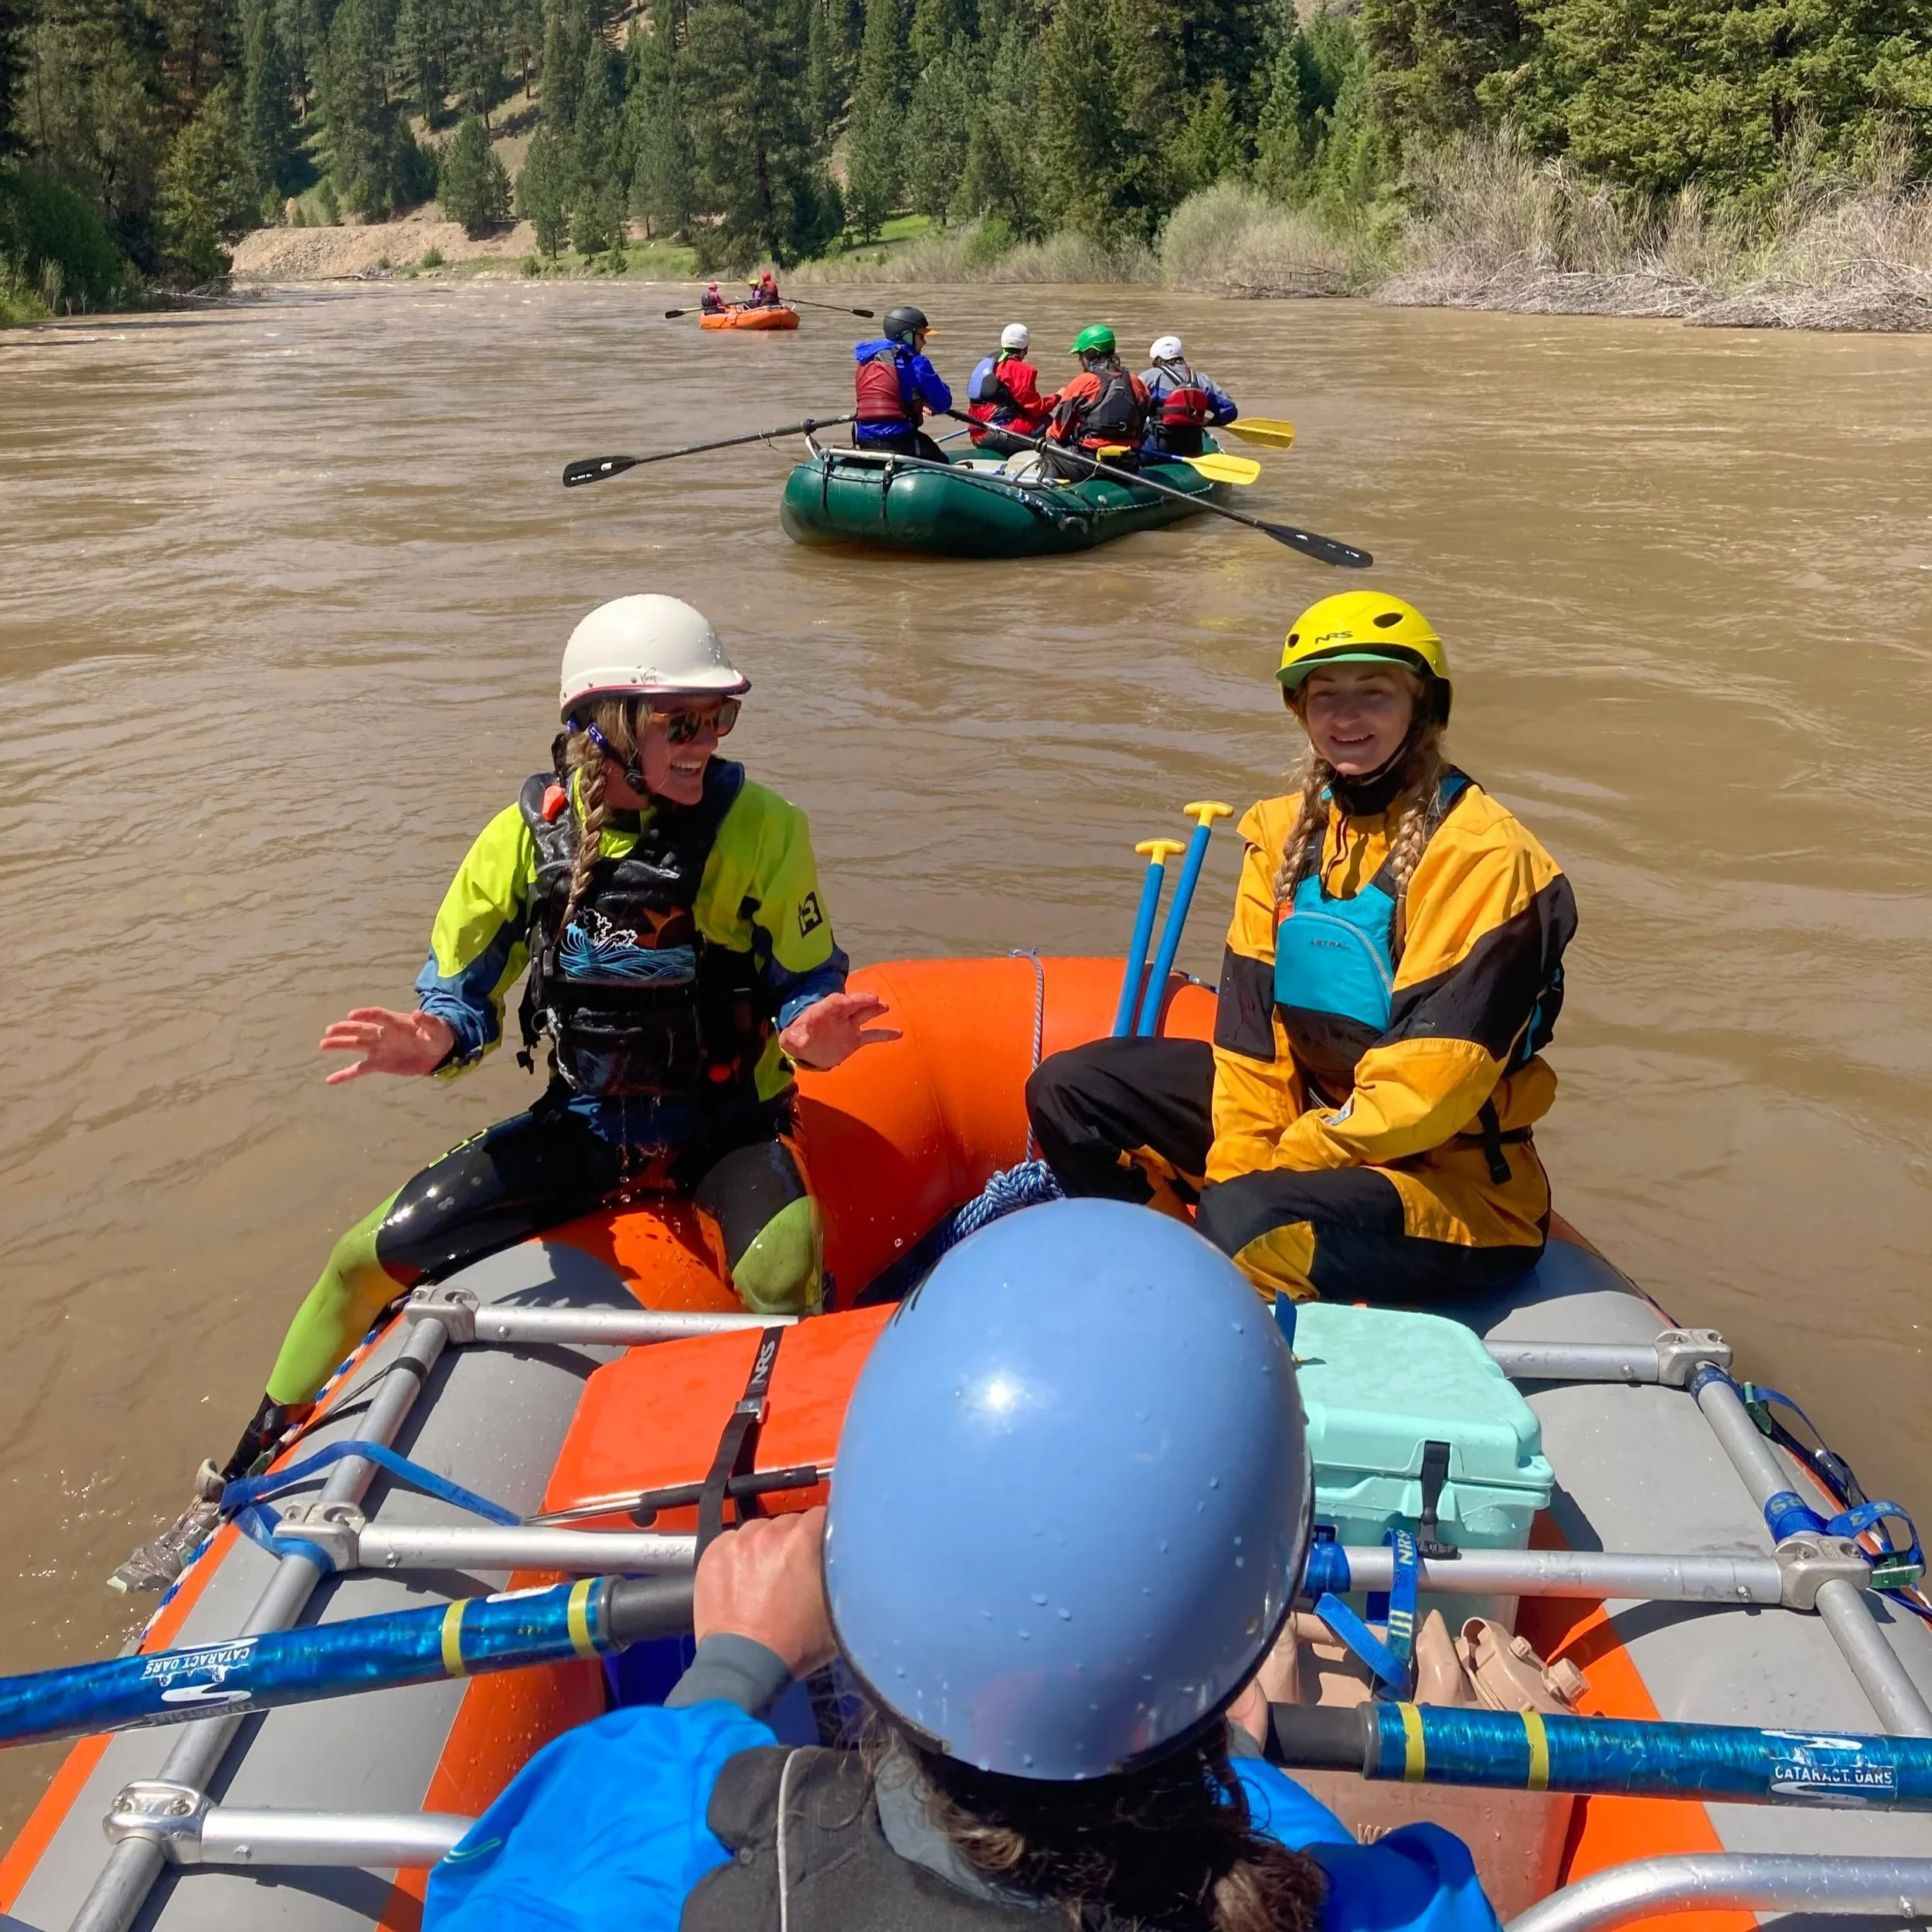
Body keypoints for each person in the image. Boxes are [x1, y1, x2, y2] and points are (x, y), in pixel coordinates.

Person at [420, 1200, 1504, 1932]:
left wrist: (731, 1672)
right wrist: (1246, 1773)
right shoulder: (1407, 1904)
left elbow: (614, 1820)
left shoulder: (645, 1845)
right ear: (1252, 1621)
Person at [112, 595, 894, 1593]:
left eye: (719, 719)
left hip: (723, 1124)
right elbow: (462, 1001)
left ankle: (821, 1509)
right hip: (583, 1123)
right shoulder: (524, 840)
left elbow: (806, 983)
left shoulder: (765, 829)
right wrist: (426, 1039)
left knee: (783, 1273)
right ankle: (230, 1481)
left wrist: (812, 1036)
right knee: (363, 1258)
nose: (707, 743)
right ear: (603, 726)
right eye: (681, 723)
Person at [1027, 592, 1577, 1308]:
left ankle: (1220, 1292)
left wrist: (1275, 1171)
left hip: (1455, 1186)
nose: (1347, 718)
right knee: (1074, 1090)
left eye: (1373, 694)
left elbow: (1425, 1095)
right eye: (1326, 698)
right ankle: (1180, 1275)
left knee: (1247, 1218)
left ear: (1424, 707)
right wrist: (1244, 1161)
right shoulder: (1284, 835)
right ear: (1301, 712)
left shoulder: (1487, 858)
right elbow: (1252, 1045)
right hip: (1315, 1130)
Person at [1043, 324, 1151, 479]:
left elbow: (1058, 433)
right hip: (1128, 464)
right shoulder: (1137, 383)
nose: (1080, 359)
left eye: (1081, 354)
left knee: (1050, 448)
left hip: (1090, 464)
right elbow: (1141, 429)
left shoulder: (1083, 382)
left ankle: (1048, 492)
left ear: (1091, 354)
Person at [852, 304, 952, 461]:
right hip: (898, 440)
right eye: (921, 336)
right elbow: (944, 403)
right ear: (907, 337)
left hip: (864, 439)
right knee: (943, 462)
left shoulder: (866, 360)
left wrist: (918, 400)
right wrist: (929, 402)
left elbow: (892, 391)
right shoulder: (917, 364)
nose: (924, 342)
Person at [1141, 332, 1240, 461]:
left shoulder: (1150, 377)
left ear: (1158, 360)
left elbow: (1129, 404)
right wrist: (1210, 422)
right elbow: (1229, 410)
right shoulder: (1202, 380)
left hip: (1159, 448)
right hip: (1193, 448)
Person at [964, 321, 1056, 455]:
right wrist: (1058, 397)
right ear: (1025, 349)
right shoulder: (1020, 369)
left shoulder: (989, 362)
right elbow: (1036, 409)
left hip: (976, 433)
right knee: (1047, 421)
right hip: (996, 434)